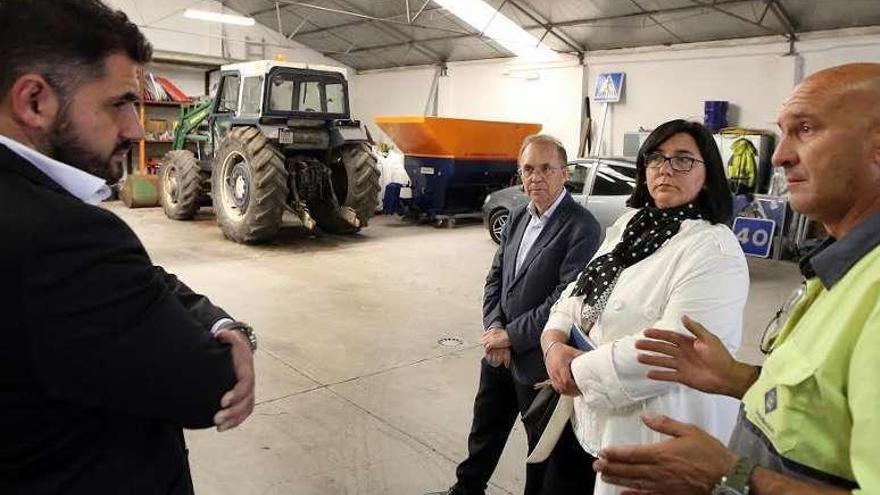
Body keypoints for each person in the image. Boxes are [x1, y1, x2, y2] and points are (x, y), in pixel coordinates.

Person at [0, 1, 256, 493]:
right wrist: (230, 341)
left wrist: (216, 319)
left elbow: (142, 281)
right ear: (34, 101)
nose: (136, 129)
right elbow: (208, 384)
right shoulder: (64, 237)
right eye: (118, 103)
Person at [593, 63, 880, 495]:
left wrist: (730, 476)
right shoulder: (841, 267)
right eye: (782, 132)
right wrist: (739, 378)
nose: (781, 155)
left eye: (806, 129)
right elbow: (824, 410)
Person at [538, 119, 748, 495]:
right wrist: (552, 341)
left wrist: (575, 370)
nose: (666, 169)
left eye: (683, 160)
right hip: (585, 417)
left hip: (648, 428)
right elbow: (578, 292)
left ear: (708, 174)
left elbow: (672, 349)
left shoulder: (714, 248)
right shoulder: (630, 224)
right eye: (656, 158)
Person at [436, 134, 602, 495]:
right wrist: (495, 328)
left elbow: (565, 300)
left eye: (546, 168)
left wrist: (511, 335)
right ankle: (466, 491)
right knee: (484, 432)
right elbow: (496, 277)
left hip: (540, 363)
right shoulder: (516, 217)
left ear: (564, 173)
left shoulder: (581, 227)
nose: (536, 177)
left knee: (540, 452)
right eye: (528, 169)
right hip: (499, 354)